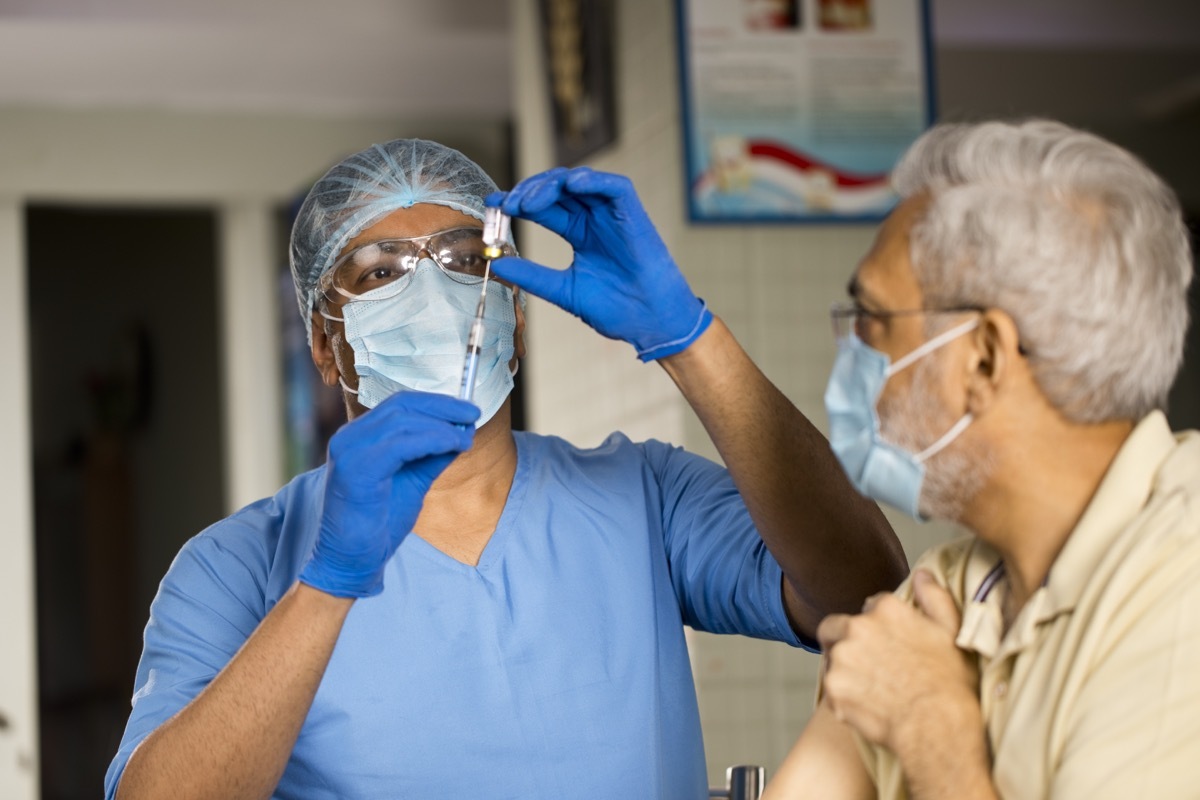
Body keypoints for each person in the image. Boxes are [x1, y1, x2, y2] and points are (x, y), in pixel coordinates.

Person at [105, 139, 907, 800]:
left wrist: (688, 338)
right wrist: (328, 583)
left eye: (463, 262)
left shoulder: (644, 498)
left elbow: (866, 591)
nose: (430, 294)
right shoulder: (237, 566)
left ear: (514, 318)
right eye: (382, 271)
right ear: (325, 341)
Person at [762, 119, 1200, 800]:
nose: (852, 356)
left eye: (874, 319)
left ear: (985, 358)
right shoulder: (955, 587)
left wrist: (932, 726)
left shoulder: (1181, 587)